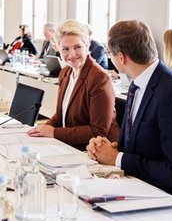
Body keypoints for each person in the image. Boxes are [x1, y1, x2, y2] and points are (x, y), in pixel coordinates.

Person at [86, 20, 172, 200]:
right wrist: (109, 149)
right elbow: (145, 144)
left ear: (121, 57)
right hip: (136, 185)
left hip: (168, 199)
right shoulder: (139, 84)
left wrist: (117, 158)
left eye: (109, 53)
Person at [27, 19, 119, 151]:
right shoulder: (65, 73)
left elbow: (98, 131)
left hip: (95, 151)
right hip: (68, 146)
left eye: (77, 47)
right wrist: (40, 130)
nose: (71, 54)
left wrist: (53, 133)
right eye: (65, 49)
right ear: (58, 48)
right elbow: (60, 115)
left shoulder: (99, 78)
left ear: (87, 44)